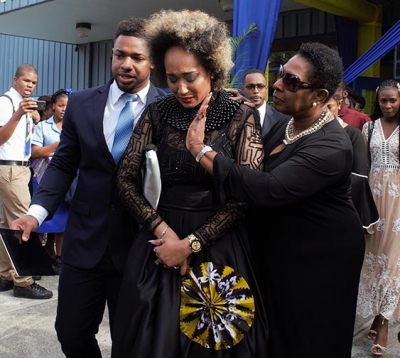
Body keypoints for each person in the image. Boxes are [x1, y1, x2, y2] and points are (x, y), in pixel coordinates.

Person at [186, 42, 366, 358]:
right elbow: (250, 164)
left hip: (321, 259)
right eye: (281, 74)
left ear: (320, 97)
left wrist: (201, 150)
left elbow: (268, 188)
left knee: (308, 338)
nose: (279, 84)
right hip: (284, 250)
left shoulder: (332, 147)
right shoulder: (285, 125)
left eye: (293, 82)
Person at [111, 9, 268, 358]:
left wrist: (191, 245)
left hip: (220, 244)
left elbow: (247, 193)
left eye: (190, 77)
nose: (181, 88)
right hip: (159, 245)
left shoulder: (242, 116)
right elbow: (124, 179)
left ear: (212, 70)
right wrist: (163, 231)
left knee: (214, 342)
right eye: (171, 78)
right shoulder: (156, 112)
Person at [10, 17, 166, 357]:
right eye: (119, 54)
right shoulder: (81, 102)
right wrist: (36, 214)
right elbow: (64, 164)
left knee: (132, 342)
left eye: (136, 57)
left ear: (152, 60)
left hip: (139, 247)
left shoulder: (167, 107)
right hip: (84, 243)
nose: (126, 64)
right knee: (70, 333)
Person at [0, 64, 53, 299]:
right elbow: (1, 138)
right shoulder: (7, 103)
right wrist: (19, 114)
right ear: (15, 80)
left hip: (18, 168)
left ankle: (4, 275)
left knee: (6, 224)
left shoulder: (24, 105)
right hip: (10, 168)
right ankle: (23, 281)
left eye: (33, 82)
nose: (30, 85)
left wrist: (33, 116)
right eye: (26, 81)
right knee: (23, 222)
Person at [358, 79, 400, 356]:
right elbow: (361, 166)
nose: (387, 105)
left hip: (398, 202)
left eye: (393, 100)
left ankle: (384, 323)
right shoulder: (368, 127)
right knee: (370, 260)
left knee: (393, 262)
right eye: (383, 100)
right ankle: (375, 315)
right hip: (371, 202)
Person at [31, 89, 71, 275]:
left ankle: (59, 257)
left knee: (62, 220)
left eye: (67, 106)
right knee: (41, 221)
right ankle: (38, 258)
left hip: (66, 180)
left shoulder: (73, 126)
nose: (64, 109)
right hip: (43, 177)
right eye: (61, 105)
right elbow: (36, 152)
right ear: (53, 106)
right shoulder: (43, 127)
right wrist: (58, 145)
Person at [326, 93, 379, 231]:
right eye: (320, 107)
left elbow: (359, 175)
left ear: (339, 104)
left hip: (343, 203)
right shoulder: (311, 132)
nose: (324, 112)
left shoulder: (353, 134)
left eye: (329, 107)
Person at [240, 69, 291, 136]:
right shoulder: (233, 116)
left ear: (266, 89)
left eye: (260, 86)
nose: (256, 91)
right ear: (243, 89)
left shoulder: (283, 119)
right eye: (250, 87)